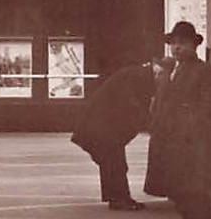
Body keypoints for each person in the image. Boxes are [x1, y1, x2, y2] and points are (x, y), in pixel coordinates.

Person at [144, 20, 211, 219]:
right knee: (178, 192)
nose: (177, 48)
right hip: (169, 140)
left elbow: (209, 107)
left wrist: (187, 125)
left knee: (194, 192)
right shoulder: (171, 71)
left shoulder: (205, 72)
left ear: (194, 45)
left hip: (190, 143)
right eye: (173, 44)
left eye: (183, 43)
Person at [70, 55, 171, 210]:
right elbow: (132, 104)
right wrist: (151, 122)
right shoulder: (140, 77)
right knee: (114, 163)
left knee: (113, 162)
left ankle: (117, 198)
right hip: (101, 127)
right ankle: (119, 199)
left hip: (100, 126)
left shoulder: (139, 74)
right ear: (161, 73)